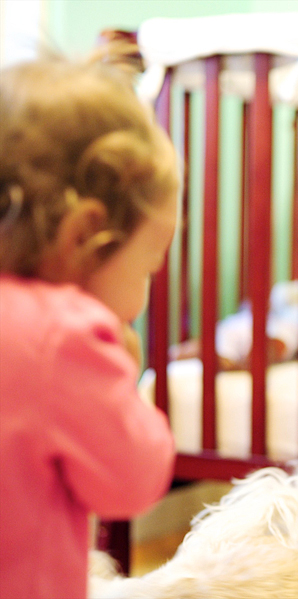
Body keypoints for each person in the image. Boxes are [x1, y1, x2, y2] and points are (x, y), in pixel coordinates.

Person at [0, 55, 179, 599]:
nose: (149, 285)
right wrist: (124, 371)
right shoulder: (67, 337)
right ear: (86, 235)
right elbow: (133, 483)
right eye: (150, 263)